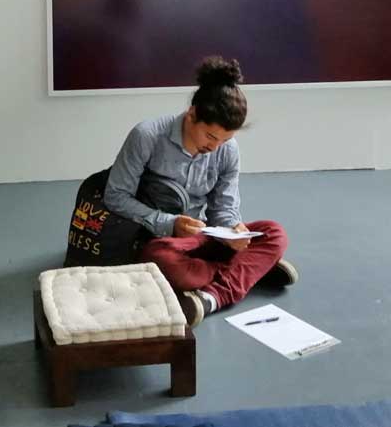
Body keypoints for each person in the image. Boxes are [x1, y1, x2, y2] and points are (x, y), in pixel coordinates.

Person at [103, 56, 297, 326]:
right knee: (161, 259)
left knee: (274, 232)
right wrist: (170, 223)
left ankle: (211, 297)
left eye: (225, 140)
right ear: (192, 114)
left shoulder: (227, 150)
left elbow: (224, 208)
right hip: (161, 240)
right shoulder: (147, 136)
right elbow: (115, 196)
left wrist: (233, 230)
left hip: (204, 238)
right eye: (211, 136)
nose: (215, 147)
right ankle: (249, 270)